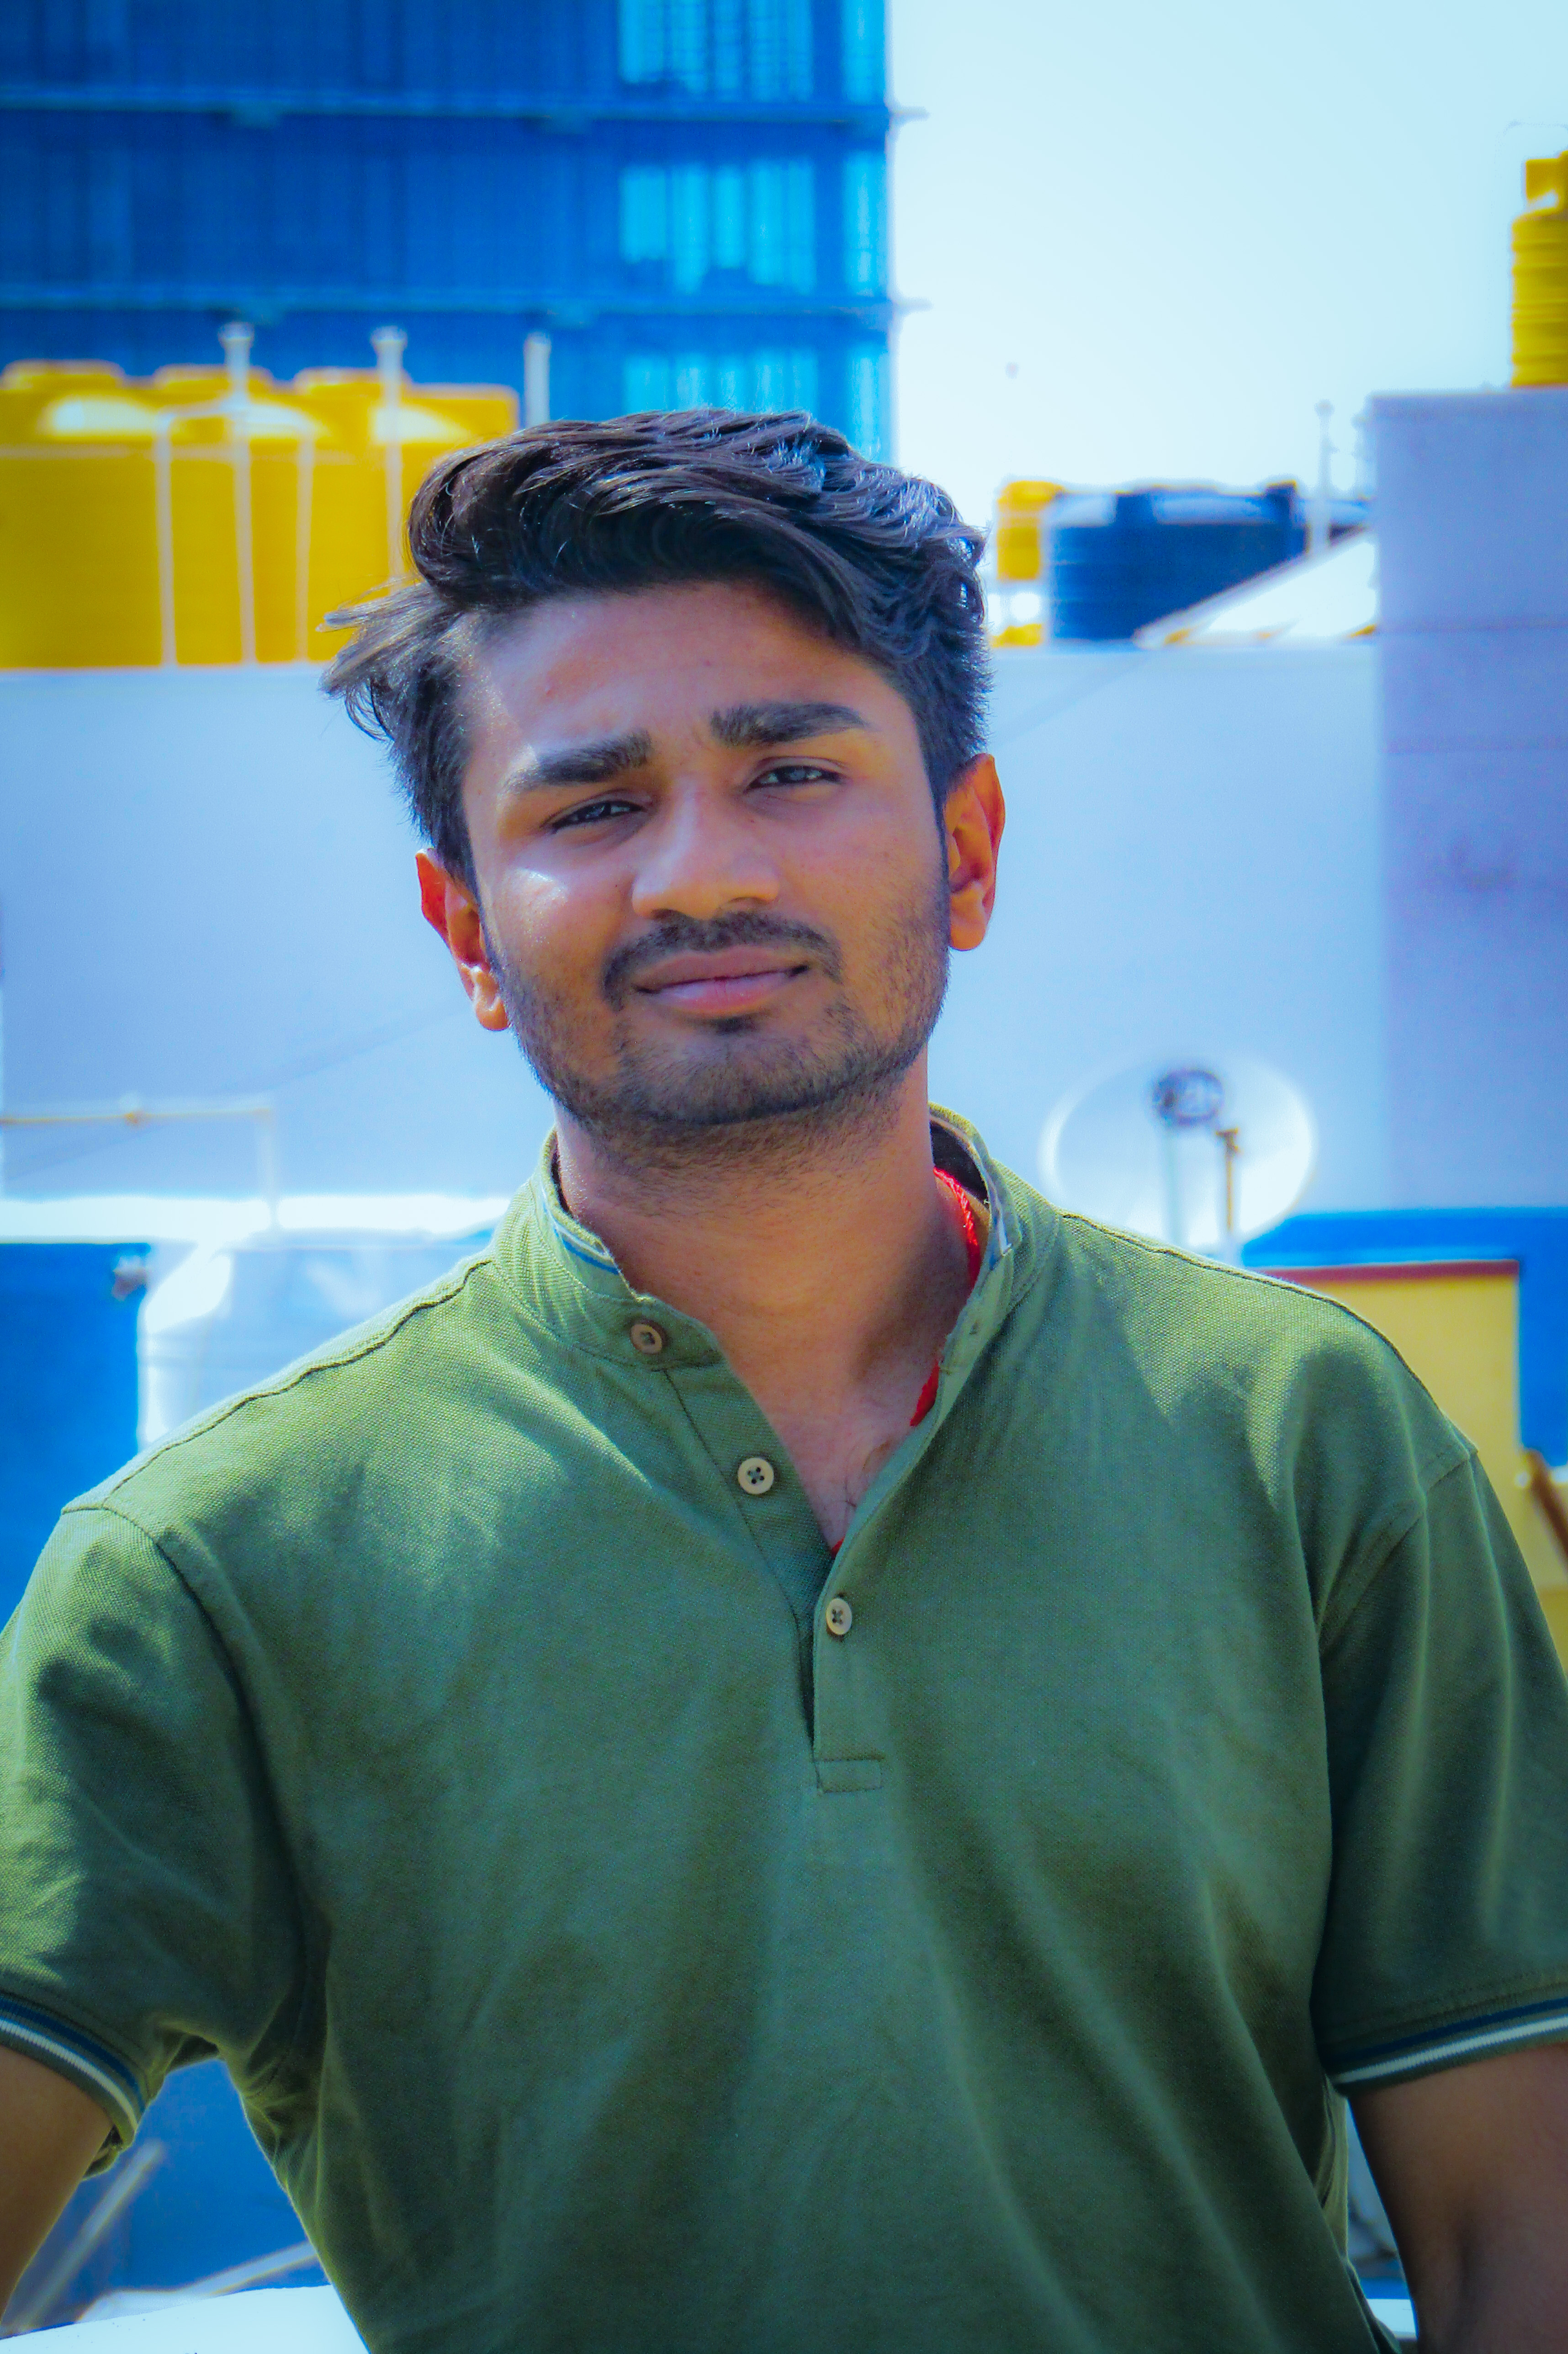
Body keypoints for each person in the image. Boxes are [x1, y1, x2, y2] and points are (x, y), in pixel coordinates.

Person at [2, 411, 1567, 2354]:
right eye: (592, 807)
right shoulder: (214, 1566)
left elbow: (1519, 2230)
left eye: (794, 773)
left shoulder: (1302, 1435)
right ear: (467, 929)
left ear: (965, 850)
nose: (701, 873)